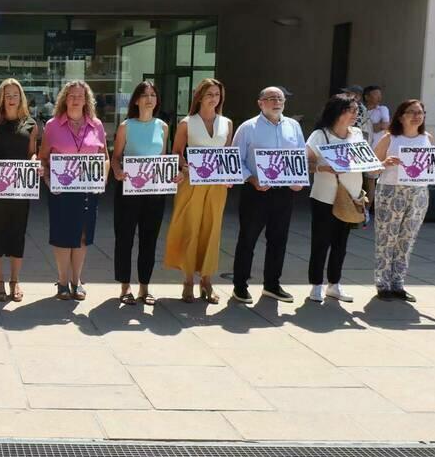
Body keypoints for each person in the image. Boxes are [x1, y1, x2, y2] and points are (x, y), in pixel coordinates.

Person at [373, 99, 435, 302]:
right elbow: (371, 167)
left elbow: (432, 166)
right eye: (411, 112)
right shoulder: (390, 138)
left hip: (418, 193)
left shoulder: (427, 137)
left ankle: (398, 283)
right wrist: (384, 163)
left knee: (407, 239)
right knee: (387, 239)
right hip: (391, 191)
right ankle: (382, 283)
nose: (416, 116)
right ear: (401, 116)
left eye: (420, 112)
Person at [230, 86, 306, 304]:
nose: (277, 102)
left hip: (284, 194)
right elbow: (236, 159)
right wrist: (252, 178)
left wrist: (299, 180)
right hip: (256, 192)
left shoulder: (293, 126)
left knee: (278, 240)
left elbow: (299, 156)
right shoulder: (248, 128)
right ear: (260, 103)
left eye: (280, 99)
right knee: (247, 240)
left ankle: (272, 284)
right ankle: (240, 286)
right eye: (272, 98)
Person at [164, 78, 233, 304]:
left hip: (217, 186)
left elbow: (228, 154)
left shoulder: (227, 123)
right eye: (210, 94)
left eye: (217, 94)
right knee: (190, 227)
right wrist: (184, 167)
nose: (214, 98)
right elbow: (176, 152)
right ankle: (187, 281)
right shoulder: (187, 123)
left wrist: (230, 175)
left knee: (212, 230)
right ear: (200, 97)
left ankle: (207, 280)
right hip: (192, 183)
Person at [40, 80, 108, 301]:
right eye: (71, 95)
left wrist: (103, 179)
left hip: (88, 190)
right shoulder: (52, 125)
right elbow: (43, 159)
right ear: (64, 99)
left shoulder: (96, 125)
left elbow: (104, 158)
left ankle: (76, 281)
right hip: (61, 191)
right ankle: (62, 281)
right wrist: (49, 182)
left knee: (82, 236)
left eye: (80, 95)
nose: (76, 99)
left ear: (87, 100)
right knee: (62, 236)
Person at [111, 81, 171, 306]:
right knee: (124, 238)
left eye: (153, 95)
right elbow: (116, 156)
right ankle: (125, 287)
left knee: (150, 240)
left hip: (154, 193)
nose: (149, 99)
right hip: (128, 190)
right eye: (144, 95)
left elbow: (163, 159)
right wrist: (117, 171)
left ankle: (144, 287)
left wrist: (172, 174)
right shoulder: (126, 125)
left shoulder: (163, 127)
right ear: (136, 100)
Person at [0, 78, 38, 302]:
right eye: (8, 94)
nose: (12, 98)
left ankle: (15, 281)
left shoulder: (31, 123)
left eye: (15, 94)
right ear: (1, 98)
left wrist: (34, 161)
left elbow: (32, 152)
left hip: (20, 189)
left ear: (21, 97)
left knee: (17, 233)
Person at [305, 94, 365, 304]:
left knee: (341, 243)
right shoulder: (320, 135)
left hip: (350, 197)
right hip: (324, 197)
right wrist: (322, 167)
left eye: (357, 111)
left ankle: (334, 284)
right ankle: (316, 285)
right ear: (338, 112)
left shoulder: (357, 133)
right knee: (321, 242)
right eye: (351, 110)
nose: (355, 115)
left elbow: (363, 159)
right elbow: (306, 164)